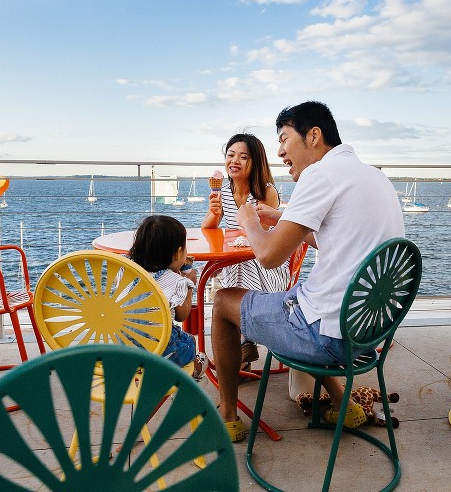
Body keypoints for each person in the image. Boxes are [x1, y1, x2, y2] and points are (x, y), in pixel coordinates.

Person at [211, 101, 405, 442]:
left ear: (314, 136)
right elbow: (337, 237)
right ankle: (344, 404)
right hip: (369, 332)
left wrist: (250, 220)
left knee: (224, 301)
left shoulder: (321, 174)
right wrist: (276, 217)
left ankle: (227, 414)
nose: (280, 151)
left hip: (328, 336)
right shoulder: (373, 175)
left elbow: (269, 256)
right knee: (297, 297)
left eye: (285, 139)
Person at [202, 133, 291, 370]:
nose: (235, 161)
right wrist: (213, 211)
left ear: (256, 162)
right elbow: (208, 229)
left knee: (239, 275)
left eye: (243, 157)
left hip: (265, 262)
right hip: (236, 262)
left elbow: (262, 239)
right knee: (235, 271)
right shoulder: (224, 192)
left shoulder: (265, 192)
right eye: (230, 155)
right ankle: (243, 345)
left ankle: (243, 344)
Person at [129, 215, 208, 381]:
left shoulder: (127, 271)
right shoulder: (178, 282)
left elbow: (129, 258)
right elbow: (182, 315)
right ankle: (195, 370)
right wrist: (189, 283)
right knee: (188, 341)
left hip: (127, 349)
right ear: (178, 253)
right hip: (159, 351)